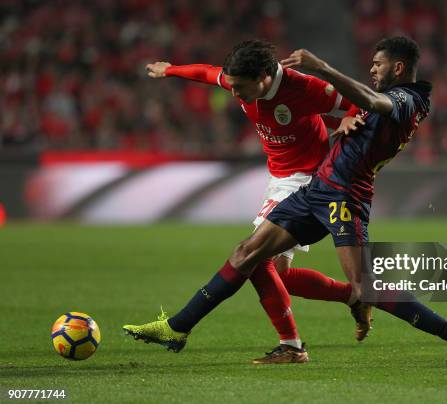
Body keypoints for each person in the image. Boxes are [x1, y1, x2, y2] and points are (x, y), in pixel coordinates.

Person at [125, 36, 447, 368]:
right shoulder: (397, 97)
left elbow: (369, 100)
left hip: (345, 196)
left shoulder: (406, 101)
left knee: (366, 287)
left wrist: (324, 71)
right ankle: (178, 328)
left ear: (397, 67)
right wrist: (170, 69)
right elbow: (211, 74)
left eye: (378, 64)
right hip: (317, 189)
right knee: (246, 255)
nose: (371, 68)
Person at [126, 40, 373, 364]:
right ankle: (351, 296)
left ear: (264, 78)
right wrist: (169, 70)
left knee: (253, 258)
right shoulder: (240, 81)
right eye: (231, 87)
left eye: (241, 88)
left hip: (305, 180)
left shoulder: (303, 87)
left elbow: (360, 101)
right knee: (278, 275)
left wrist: (347, 118)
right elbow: (206, 72)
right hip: (280, 178)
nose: (235, 95)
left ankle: (288, 345)